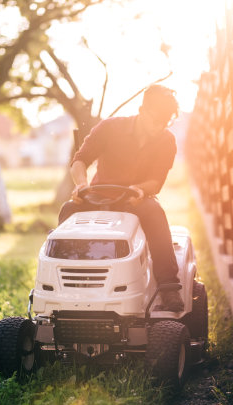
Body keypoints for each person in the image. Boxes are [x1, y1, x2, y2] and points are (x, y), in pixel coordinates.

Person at [58, 84, 184, 312]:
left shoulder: (167, 141)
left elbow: (156, 182)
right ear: (142, 110)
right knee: (68, 211)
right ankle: (64, 280)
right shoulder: (110, 128)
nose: (159, 127)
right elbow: (79, 161)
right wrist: (81, 185)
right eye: (156, 119)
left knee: (155, 212)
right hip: (96, 195)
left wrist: (140, 190)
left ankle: (168, 286)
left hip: (135, 200)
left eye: (165, 122)